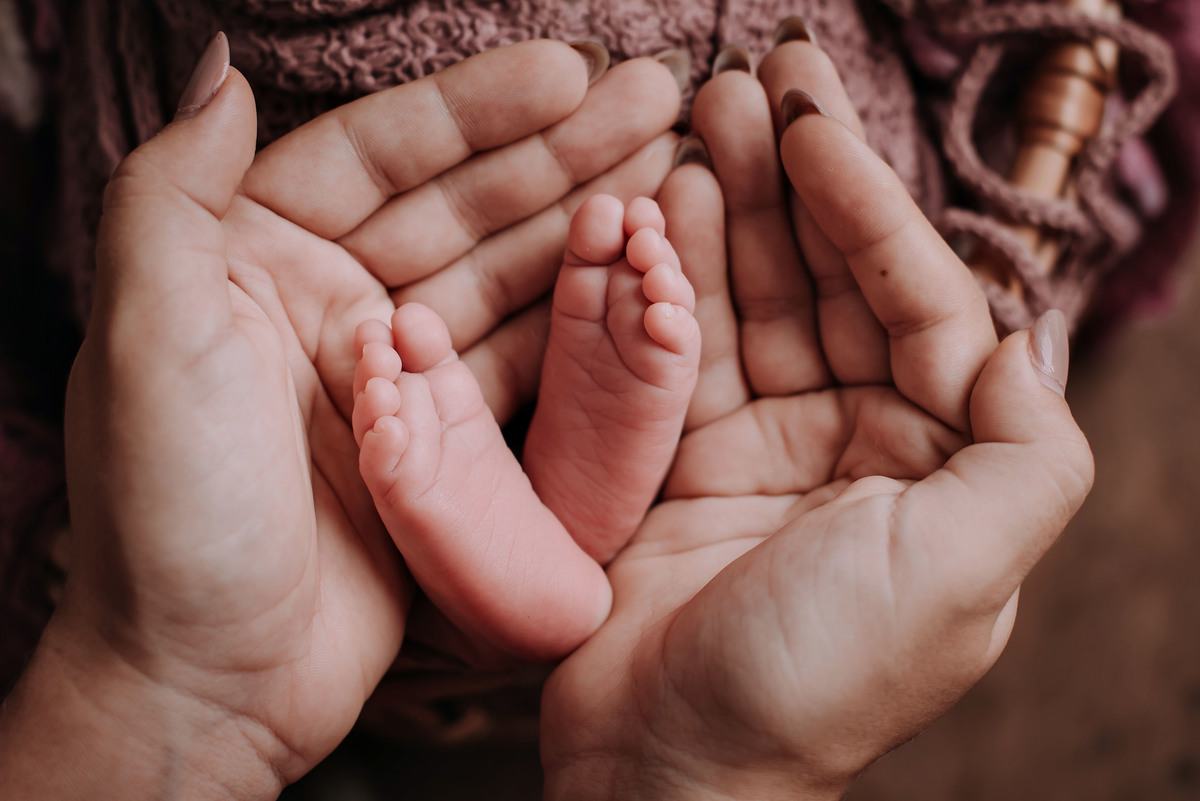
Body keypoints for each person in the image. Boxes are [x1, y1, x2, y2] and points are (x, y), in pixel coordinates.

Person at [0, 32, 1093, 801]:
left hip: (377, 258)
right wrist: (710, 780)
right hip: (697, 273)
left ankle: (549, 507)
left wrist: (160, 696)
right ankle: (546, 510)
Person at [352, 193, 699, 661]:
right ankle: (559, 557)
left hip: (396, 655)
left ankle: (544, 568)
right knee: (428, 629)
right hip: (443, 671)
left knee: (417, 624)